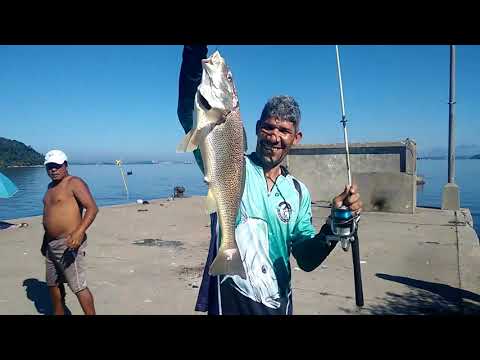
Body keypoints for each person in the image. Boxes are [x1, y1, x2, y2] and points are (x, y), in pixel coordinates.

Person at [177, 45, 363, 315]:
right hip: (227, 307)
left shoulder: (299, 193)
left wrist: (332, 229)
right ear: (256, 128)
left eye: (284, 130)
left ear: (296, 138)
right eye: (268, 127)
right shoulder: (232, 163)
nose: (274, 136)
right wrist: (194, 51)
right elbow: (187, 110)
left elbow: (306, 258)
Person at [41, 149, 98, 315]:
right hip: (50, 245)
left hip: (69, 243)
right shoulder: (50, 187)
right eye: (50, 166)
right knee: (53, 284)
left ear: (65, 165)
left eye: (57, 166)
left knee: (78, 286)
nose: (53, 169)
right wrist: (45, 243)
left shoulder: (74, 182)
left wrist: (79, 232)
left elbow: (92, 208)